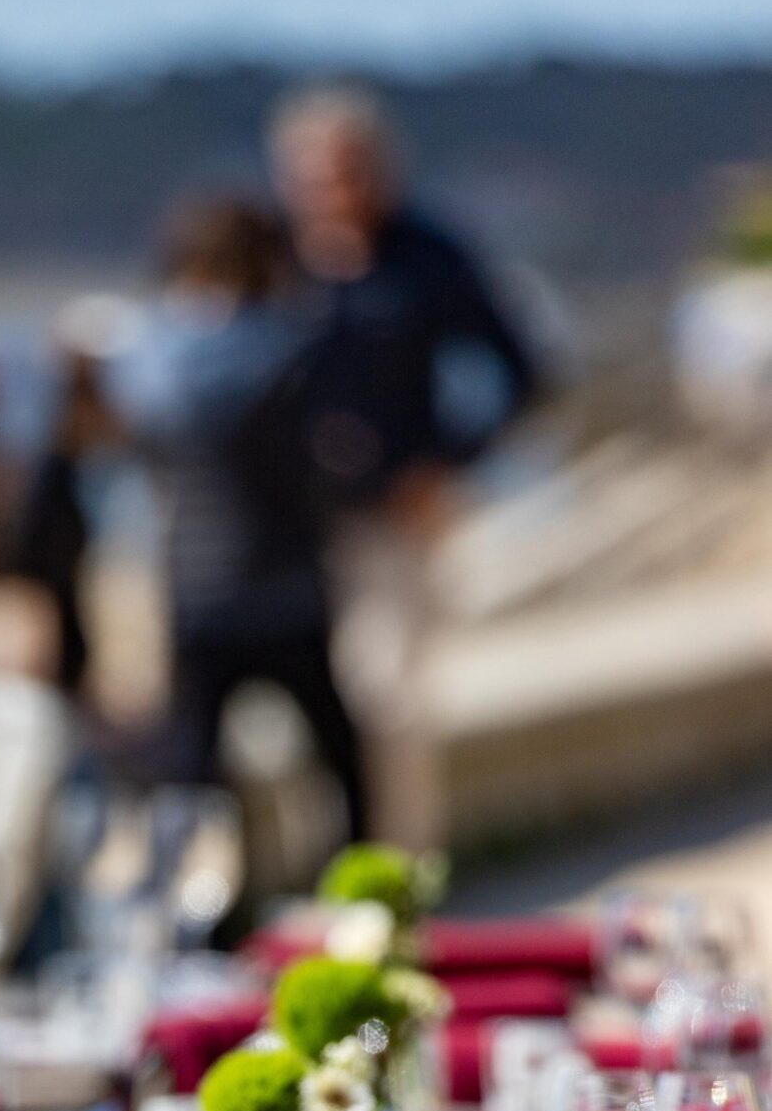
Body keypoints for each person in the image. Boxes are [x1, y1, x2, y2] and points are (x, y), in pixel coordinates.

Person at [269, 83, 543, 842]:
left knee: (386, 701)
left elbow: (520, 372)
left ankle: (394, 871)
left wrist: (446, 463)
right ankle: (314, 867)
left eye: (348, 170)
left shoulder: (427, 256)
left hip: (393, 517)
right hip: (287, 522)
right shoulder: (274, 262)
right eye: (314, 174)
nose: (332, 190)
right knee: (293, 708)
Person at [111, 194, 369, 917]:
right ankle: (360, 906)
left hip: (190, 582)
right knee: (339, 760)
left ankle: (199, 922)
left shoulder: (149, 354)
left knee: (190, 774)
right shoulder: (289, 345)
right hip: (285, 583)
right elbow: (329, 460)